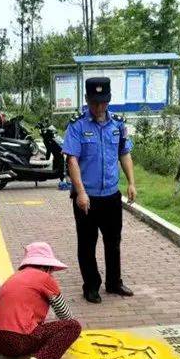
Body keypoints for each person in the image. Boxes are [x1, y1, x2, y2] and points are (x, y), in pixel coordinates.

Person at [63, 77, 137, 304]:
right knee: (87, 243)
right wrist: (81, 192)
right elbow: (72, 160)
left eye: (103, 102)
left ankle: (114, 282)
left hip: (111, 196)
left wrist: (131, 182)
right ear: (86, 99)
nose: (99, 107)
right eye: (94, 103)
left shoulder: (118, 125)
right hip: (87, 197)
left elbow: (124, 153)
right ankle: (91, 286)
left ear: (109, 100)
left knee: (113, 242)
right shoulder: (77, 126)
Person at [0, 242, 81, 359]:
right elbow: (65, 315)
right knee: (73, 326)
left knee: (41, 329)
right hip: (18, 339)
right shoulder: (45, 278)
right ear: (47, 266)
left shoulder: (14, 277)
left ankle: (33, 354)